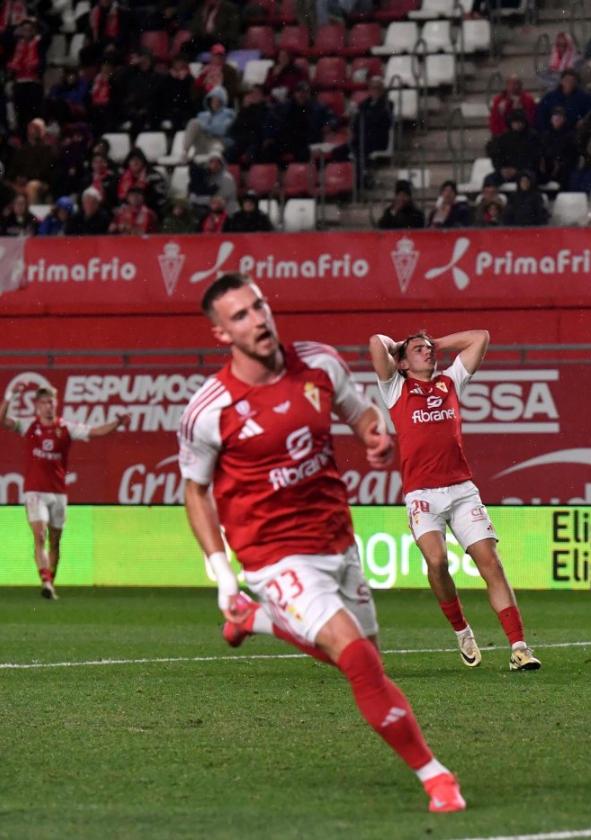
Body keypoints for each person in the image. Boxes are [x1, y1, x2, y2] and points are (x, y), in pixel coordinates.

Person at [179, 274, 465, 812]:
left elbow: (362, 415)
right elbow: (195, 492)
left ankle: (258, 620)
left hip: (337, 539)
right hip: (271, 554)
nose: (258, 319)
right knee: (356, 657)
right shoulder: (208, 409)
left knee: (368, 664)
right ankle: (435, 776)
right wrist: (222, 574)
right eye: (240, 315)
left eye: (259, 305)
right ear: (221, 333)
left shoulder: (320, 363)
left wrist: (375, 439)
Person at [368, 329, 542, 672]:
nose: (428, 353)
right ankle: (462, 631)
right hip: (422, 495)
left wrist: (434, 344)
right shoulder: (395, 387)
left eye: (429, 349)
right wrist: (402, 345)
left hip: (462, 490)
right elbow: (377, 342)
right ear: (401, 362)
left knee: (490, 562)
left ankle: (519, 647)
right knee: (437, 562)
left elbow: (482, 337)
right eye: (419, 350)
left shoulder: (450, 382)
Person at [0, 386, 128, 599]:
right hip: (35, 491)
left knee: (55, 541)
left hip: (58, 493)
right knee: (40, 535)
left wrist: (117, 423)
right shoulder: (29, 427)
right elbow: (2, 420)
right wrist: (9, 397)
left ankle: (50, 583)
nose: (48, 407)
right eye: (44, 403)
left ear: (56, 404)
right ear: (37, 407)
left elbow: (95, 431)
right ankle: (46, 581)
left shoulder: (66, 428)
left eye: (51, 402)